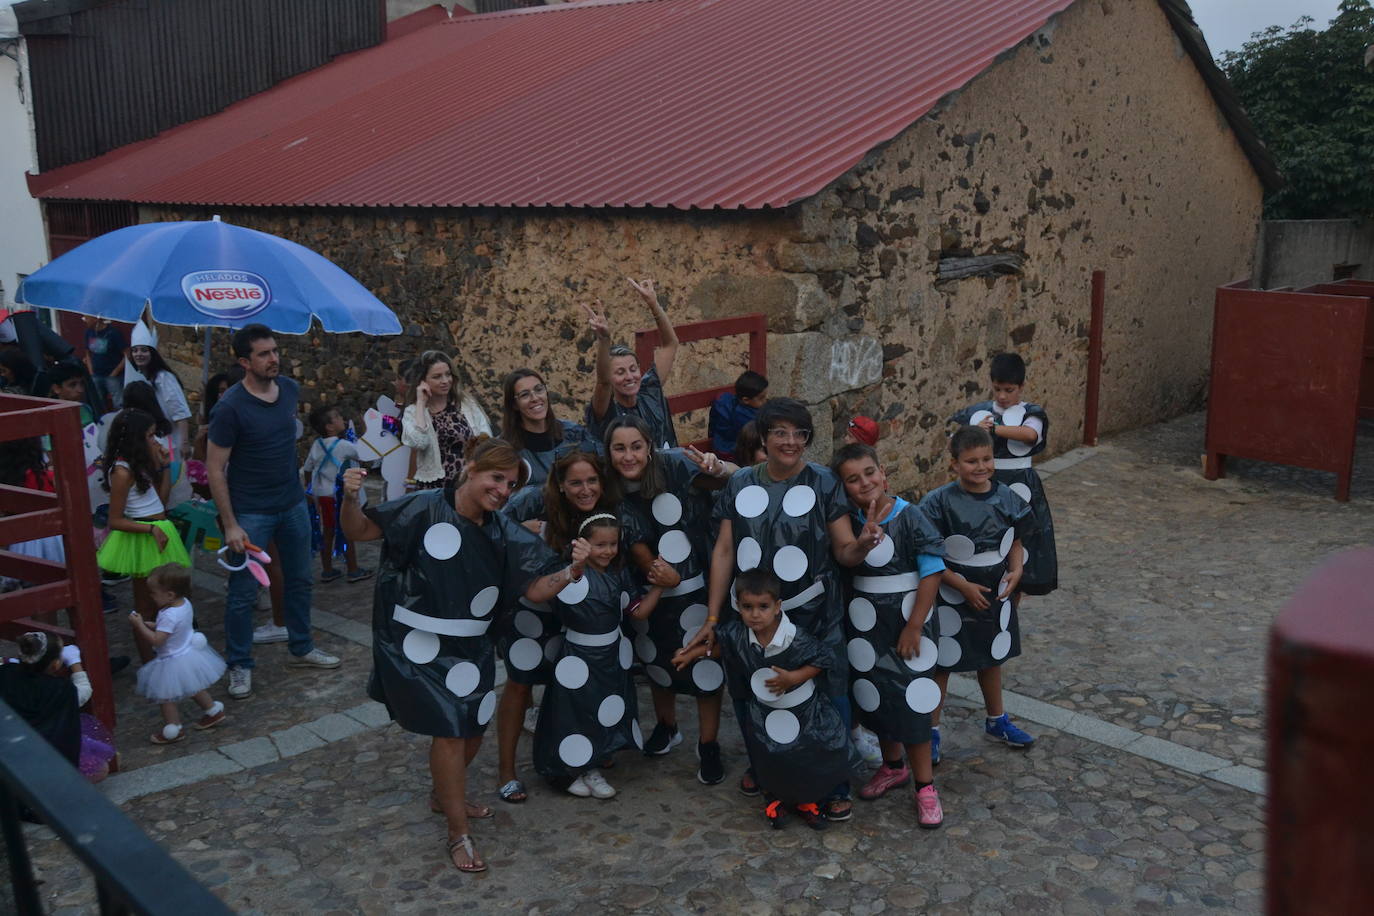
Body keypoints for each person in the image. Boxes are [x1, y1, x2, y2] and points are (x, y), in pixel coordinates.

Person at [340, 436, 585, 874]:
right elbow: (358, 531)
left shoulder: (503, 530)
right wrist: (351, 497)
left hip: (472, 647)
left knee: (472, 729)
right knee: (451, 731)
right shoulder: (422, 507)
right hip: (417, 643)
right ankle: (458, 832)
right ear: (471, 468)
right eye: (496, 479)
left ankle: (443, 794)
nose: (503, 491)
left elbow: (534, 587)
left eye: (510, 484)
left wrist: (571, 571)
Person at [692, 397, 884, 821]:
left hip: (816, 613)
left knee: (830, 695)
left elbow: (843, 552)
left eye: (799, 433)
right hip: (752, 615)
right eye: (780, 432)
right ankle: (767, 770)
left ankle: (833, 781)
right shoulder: (740, 484)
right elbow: (724, 550)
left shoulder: (822, 482)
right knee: (752, 693)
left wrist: (864, 543)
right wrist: (712, 615)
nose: (790, 441)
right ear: (763, 436)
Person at [207, 324, 340, 701]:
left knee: (300, 579)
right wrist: (230, 524)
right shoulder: (230, 407)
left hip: (292, 502)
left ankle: (301, 647)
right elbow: (215, 467)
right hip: (250, 512)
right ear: (244, 361)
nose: (273, 359)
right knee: (243, 592)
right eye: (264, 354)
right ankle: (239, 664)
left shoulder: (289, 391)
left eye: (275, 351)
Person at [602, 415, 733, 782]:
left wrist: (718, 465)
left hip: (698, 582)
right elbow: (636, 544)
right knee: (656, 660)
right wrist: (659, 575)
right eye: (619, 448)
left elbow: (733, 478)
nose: (628, 456)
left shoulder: (675, 465)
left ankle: (708, 744)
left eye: (636, 446)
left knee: (705, 665)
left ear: (649, 446)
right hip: (650, 589)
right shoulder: (611, 488)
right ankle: (667, 725)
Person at [673, 570, 848, 831]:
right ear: (738, 607)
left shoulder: (794, 637)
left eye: (763, 607)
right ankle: (775, 798)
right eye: (747, 607)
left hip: (802, 711)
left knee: (803, 755)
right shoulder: (738, 634)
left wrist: (794, 677)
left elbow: (823, 658)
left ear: (777, 607)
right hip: (764, 712)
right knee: (770, 756)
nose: (755, 614)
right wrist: (695, 653)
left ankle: (807, 801)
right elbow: (724, 648)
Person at [494, 448, 619, 804]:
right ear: (560, 485)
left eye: (592, 480)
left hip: (577, 613)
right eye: (575, 482)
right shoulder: (533, 501)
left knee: (573, 684)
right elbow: (493, 528)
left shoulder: (603, 508)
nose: (585, 489)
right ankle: (507, 770)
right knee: (520, 683)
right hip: (530, 610)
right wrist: (521, 529)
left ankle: (581, 753)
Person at [832, 442, 945, 828]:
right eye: (852, 479)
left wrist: (915, 625)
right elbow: (846, 559)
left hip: (908, 623)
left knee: (912, 700)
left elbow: (932, 571)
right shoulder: (847, 520)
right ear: (844, 487)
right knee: (876, 693)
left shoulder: (911, 516)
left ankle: (925, 786)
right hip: (866, 624)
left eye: (869, 473)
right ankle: (892, 766)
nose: (864, 483)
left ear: (883, 472)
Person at [534, 512, 674, 798]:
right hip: (577, 656)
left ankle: (593, 762)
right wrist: (574, 566)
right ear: (583, 544)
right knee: (575, 711)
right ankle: (572, 768)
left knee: (602, 709)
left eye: (613, 544)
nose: (608, 550)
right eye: (600, 545)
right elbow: (547, 593)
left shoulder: (619, 574)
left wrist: (661, 585)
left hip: (610, 656)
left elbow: (638, 612)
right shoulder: (569, 572)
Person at [919, 425, 1035, 758]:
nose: (981, 466)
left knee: (991, 657)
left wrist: (1016, 570)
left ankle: (996, 719)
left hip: (995, 591)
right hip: (951, 593)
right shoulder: (938, 503)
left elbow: (1016, 538)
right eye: (971, 461)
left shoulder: (1006, 496)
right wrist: (962, 586)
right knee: (942, 661)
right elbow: (930, 555)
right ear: (954, 463)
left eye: (986, 459)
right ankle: (932, 731)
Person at [951, 353, 1058, 597]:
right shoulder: (979, 413)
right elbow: (955, 441)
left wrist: (995, 429)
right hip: (983, 482)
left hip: (1020, 484)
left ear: (1021, 387)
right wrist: (973, 431)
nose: (1002, 396)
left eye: (1009, 390)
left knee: (1019, 539)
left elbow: (1030, 435)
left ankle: (1013, 599)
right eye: (997, 389)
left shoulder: (1030, 413)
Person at [96, 409, 192, 642]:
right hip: (145, 534)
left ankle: (167, 652)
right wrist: (151, 529)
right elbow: (115, 520)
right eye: (150, 436)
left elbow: (162, 501)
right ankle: (151, 664)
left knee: (169, 602)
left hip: (159, 528)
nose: (155, 440)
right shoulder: (121, 471)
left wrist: (165, 467)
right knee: (146, 604)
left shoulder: (139, 465)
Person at [127, 563, 227, 745]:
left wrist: (139, 625)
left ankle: (174, 729)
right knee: (194, 686)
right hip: (187, 653)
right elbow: (172, 629)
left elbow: (157, 640)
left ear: (170, 595)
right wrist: (153, 624)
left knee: (165, 695)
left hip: (172, 659)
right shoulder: (184, 604)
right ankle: (213, 711)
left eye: (154, 593)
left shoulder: (168, 615)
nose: (151, 596)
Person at [583, 278, 681, 448]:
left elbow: (670, 344)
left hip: (667, 472)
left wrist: (653, 304)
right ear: (610, 378)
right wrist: (604, 339)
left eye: (633, 369)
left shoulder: (650, 391)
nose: (629, 377)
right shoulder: (605, 410)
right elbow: (603, 383)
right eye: (620, 372)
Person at [302, 404, 372, 584]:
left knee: (328, 531)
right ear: (330, 426)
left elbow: (308, 468)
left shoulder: (317, 444)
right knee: (347, 530)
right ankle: (353, 570)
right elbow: (364, 455)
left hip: (323, 496)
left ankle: (327, 570)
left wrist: (309, 488)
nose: (342, 419)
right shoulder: (343, 445)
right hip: (339, 495)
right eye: (338, 417)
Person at [500, 368, 591, 491]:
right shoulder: (504, 449)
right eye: (525, 395)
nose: (535, 398)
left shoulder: (574, 434)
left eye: (539, 389)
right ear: (514, 404)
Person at [402, 351, 479, 490]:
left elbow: (485, 440)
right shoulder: (413, 411)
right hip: (433, 489)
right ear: (423, 381)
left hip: (466, 485)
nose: (445, 381)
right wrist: (420, 402)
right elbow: (419, 442)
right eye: (437, 377)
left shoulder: (466, 405)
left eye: (448, 374)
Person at [123, 321, 192, 458]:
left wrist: (184, 442)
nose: (139, 354)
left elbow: (180, 412)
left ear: (152, 353)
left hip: (170, 440)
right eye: (135, 350)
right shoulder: (136, 377)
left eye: (144, 350)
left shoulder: (164, 378)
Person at [709, 371, 769, 459]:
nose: (765, 400)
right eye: (761, 398)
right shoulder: (745, 418)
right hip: (735, 454)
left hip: (720, 445)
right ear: (746, 400)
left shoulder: (726, 401)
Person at [82, 316, 126, 411]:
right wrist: (91, 371)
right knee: (97, 403)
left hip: (113, 376)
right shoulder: (88, 333)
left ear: (96, 319)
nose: (84, 320)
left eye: (86, 318)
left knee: (119, 404)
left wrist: (115, 372)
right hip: (96, 375)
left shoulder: (113, 333)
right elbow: (87, 354)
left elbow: (127, 355)